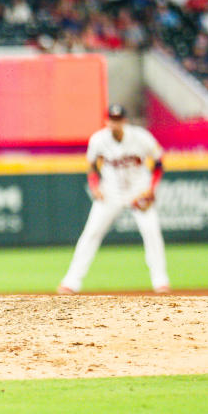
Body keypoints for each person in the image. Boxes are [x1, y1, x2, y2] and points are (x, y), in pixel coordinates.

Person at [57, 104, 170, 295]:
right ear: (106, 121)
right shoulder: (98, 140)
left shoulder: (141, 137)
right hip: (111, 192)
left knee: (152, 234)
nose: (114, 123)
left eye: (118, 119)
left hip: (138, 191)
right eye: (111, 119)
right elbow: (92, 166)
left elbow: (159, 162)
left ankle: (160, 282)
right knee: (91, 233)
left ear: (124, 121)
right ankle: (71, 282)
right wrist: (94, 186)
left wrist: (151, 189)